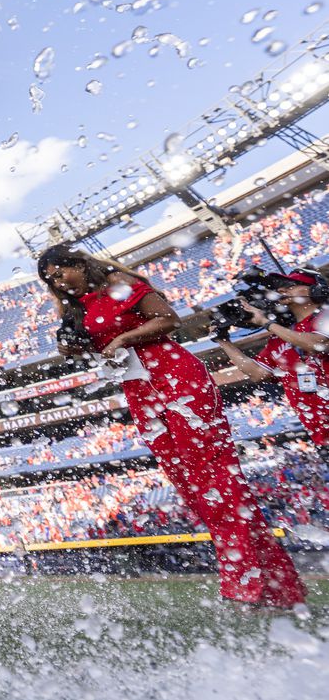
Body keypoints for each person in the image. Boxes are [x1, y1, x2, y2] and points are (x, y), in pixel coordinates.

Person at [37, 244, 305, 610]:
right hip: (139, 388)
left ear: (80, 265)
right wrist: (78, 349)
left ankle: (251, 585)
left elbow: (168, 320)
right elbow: (102, 347)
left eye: (59, 272)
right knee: (192, 486)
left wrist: (122, 338)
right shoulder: (78, 307)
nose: (57, 281)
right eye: (50, 279)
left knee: (215, 478)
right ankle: (269, 584)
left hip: (176, 376)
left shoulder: (119, 282)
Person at [213, 268, 329, 465]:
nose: (283, 290)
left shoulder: (324, 316)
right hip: (323, 437)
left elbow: (316, 344)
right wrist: (224, 341)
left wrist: (267, 323)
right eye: (281, 288)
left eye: (291, 286)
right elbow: (257, 374)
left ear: (316, 290)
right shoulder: (280, 337)